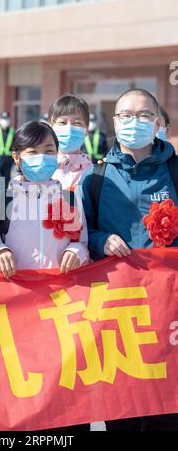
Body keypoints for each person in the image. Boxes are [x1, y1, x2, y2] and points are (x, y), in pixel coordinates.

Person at [81, 88, 178, 431]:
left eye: (142, 116)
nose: (133, 122)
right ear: (115, 122)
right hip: (117, 312)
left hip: (168, 313)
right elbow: (82, 235)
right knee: (122, 410)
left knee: (167, 412)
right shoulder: (95, 177)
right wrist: (100, 240)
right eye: (125, 115)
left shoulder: (175, 172)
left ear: (156, 123)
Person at [0, 120, 89, 278]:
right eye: (32, 152)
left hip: (61, 294)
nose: (41, 158)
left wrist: (76, 252)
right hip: (19, 295)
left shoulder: (70, 199)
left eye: (48, 151)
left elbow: (82, 243)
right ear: (17, 157)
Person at [48, 94, 93, 191]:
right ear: (50, 126)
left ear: (87, 129)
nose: (69, 128)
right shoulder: (40, 168)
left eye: (77, 123)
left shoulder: (94, 173)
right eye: (62, 122)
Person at [0, 111, 15, 187]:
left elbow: (15, 147)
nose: (5, 121)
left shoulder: (12, 132)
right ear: (0, 120)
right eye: (3, 119)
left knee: (6, 179)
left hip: (8, 160)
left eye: (7, 119)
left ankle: (4, 197)